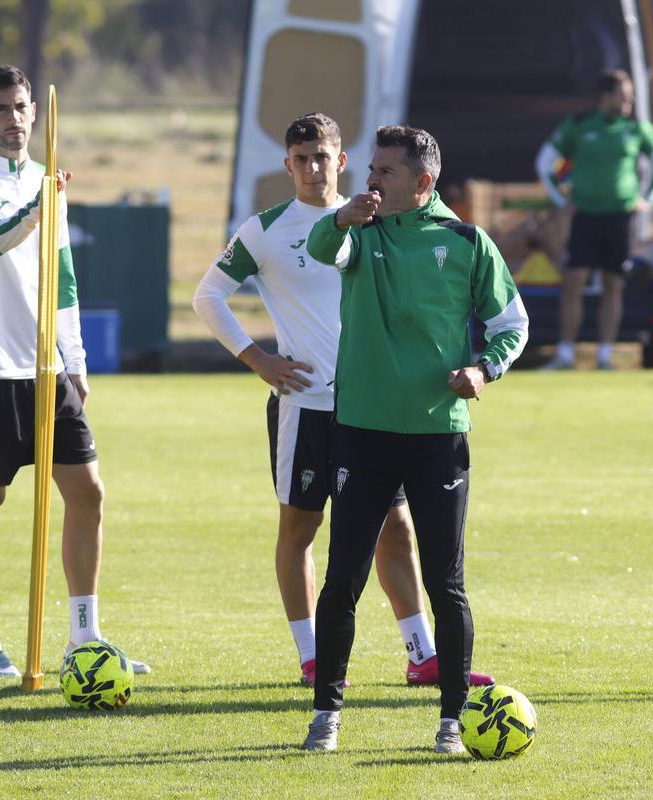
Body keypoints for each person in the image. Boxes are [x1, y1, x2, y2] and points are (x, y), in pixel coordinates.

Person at [192, 113, 494, 689]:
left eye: (322, 157)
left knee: (396, 530)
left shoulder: (380, 221)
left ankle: (421, 653)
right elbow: (208, 296)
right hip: (305, 405)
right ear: (287, 165)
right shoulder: (267, 229)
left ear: (342, 160)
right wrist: (258, 358)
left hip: (377, 408)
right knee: (300, 529)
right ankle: (311, 657)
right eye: (300, 159)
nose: (311, 168)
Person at [301, 125, 528, 753]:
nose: (372, 179)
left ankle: (453, 721)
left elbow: (512, 323)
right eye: (371, 168)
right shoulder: (358, 231)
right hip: (362, 430)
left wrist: (484, 368)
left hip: (436, 434)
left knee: (445, 583)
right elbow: (322, 249)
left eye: (386, 172)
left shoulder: (466, 242)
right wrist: (343, 216)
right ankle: (327, 715)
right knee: (343, 578)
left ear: (423, 182)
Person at [0, 66, 148, 677]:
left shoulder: (43, 182)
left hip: (48, 371)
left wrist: (75, 359)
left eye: (21, 108)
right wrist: (39, 205)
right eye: (0, 109)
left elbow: (63, 280)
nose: (13, 119)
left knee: (88, 494)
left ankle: (85, 637)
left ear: (36, 113)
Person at [535, 68, 653, 370]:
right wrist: (562, 199)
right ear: (606, 96)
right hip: (585, 216)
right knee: (574, 281)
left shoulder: (636, 128)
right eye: (624, 95)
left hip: (620, 218)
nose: (630, 101)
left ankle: (605, 355)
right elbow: (545, 162)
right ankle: (566, 353)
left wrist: (647, 201)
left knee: (614, 283)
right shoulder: (580, 125)